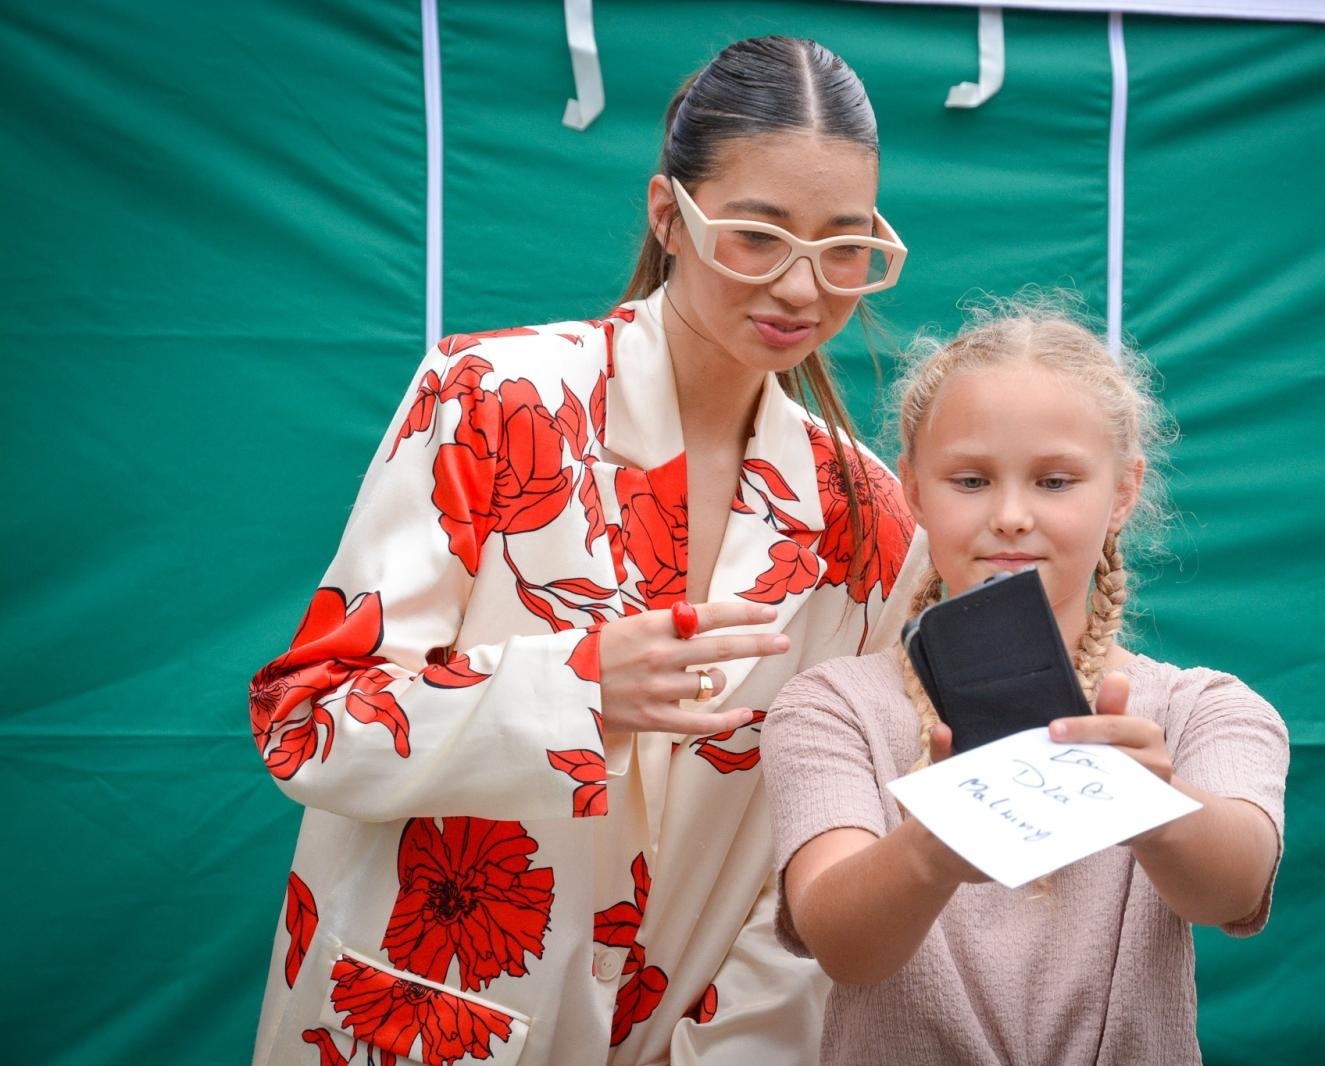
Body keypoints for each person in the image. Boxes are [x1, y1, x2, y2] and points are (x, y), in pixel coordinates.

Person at [248, 35, 915, 1066]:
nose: (801, 286)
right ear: (668, 214)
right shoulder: (495, 397)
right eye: (757, 235)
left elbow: (818, 848)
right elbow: (310, 716)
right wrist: (575, 690)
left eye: (843, 247)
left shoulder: (868, 520)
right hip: (412, 1026)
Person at [762, 297, 1290, 1064]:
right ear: (911, 487)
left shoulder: (1204, 708)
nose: (1010, 515)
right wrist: (931, 851)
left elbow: (1233, 887)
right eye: (971, 480)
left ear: (1123, 492)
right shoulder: (831, 707)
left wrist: (1153, 806)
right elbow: (841, 944)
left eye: (1054, 482)